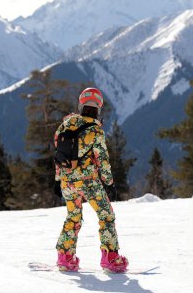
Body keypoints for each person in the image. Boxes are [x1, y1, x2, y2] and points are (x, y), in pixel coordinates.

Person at [53, 87, 128, 273]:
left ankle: (65, 257)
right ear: (99, 107)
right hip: (89, 182)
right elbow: (102, 160)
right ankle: (111, 258)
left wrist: (57, 180)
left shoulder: (65, 124)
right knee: (106, 216)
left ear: (81, 103)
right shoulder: (96, 131)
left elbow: (58, 153)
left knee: (73, 216)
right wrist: (109, 183)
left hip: (66, 181)